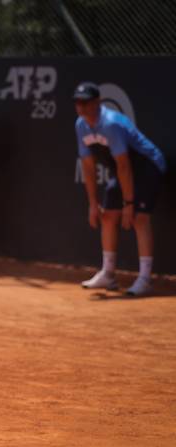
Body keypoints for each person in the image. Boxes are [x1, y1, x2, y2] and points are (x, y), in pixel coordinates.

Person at [74, 82, 166, 296]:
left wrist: (129, 203)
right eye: (78, 102)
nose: (81, 107)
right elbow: (88, 167)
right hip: (123, 170)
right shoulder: (80, 125)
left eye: (86, 102)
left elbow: (124, 165)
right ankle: (108, 273)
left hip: (147, 166)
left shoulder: (111, 123)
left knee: (139, 218)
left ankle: (144, 279)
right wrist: (92, 204)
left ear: (97, 102)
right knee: (107, 216)